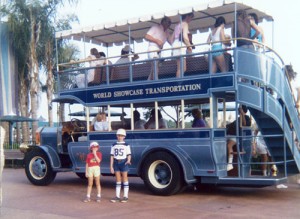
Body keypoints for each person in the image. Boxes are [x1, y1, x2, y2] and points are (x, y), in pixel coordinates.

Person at [226, 105, 251, 171]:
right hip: (229, 135)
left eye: (239, 110)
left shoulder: (246, 117)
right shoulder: (238, 119)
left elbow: (245, 124)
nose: (238, 111)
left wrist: (242, 114)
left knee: (229, 145)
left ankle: (230, 163)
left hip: (236, 136)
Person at [110, 129, 132, 203]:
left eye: (122, 136)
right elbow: (112, 156)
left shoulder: (126, 145)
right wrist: (111, 166)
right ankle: (117, 196)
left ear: (124, 136)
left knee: (125, 179)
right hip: (116, 163)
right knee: (118, 180)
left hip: (124, 162)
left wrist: (128, 160)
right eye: (119, 135)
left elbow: (129, 154)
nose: (120, 137)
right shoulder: (113, 145)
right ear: (117, 136)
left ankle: (125, 196)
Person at [172, 13, 194, 78]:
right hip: (180, 45)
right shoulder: (185, 24)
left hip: (175, 44)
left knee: (180, 67)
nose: (191, 19)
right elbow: (185, 36)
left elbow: (171, 39)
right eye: (191, 17)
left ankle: (178, 83)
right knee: (182, 68)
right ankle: (178, 84)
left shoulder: (177, 25)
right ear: (187, 16)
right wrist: (189, 47)